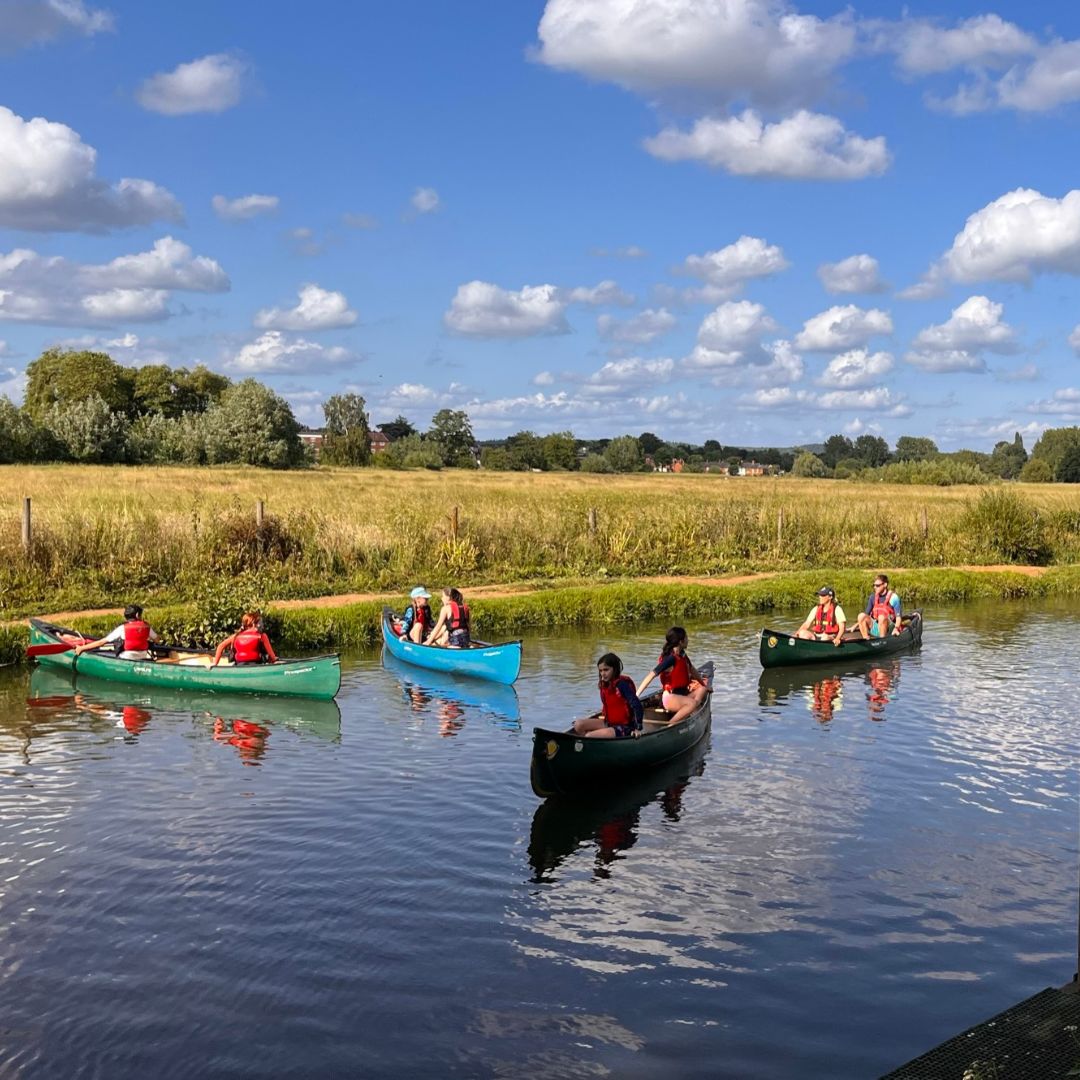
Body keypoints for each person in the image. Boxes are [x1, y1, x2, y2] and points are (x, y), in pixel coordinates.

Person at [635, 626, 711, 725]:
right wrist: (636, 696)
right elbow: (651, 675)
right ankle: (669, 726)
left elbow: (692, 670)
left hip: (683, 695)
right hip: (671, 698)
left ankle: (690, 711)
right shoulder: (671, 659)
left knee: (703, 689)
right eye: (686, 638)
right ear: (680, 641)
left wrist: (704, 685)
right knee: (692, 703)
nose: (688, 640)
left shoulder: (682, 655)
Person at [573, 652, 643, 739]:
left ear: (614, 669)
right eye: (601, 671)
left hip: (625, 727)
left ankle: (591, 743)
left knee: (589, 736)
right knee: (578, 725)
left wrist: (638, 728)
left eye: (606, 670)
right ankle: (589, 744)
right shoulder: (605, 685)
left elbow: (637, 705)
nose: (603, 673)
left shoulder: (622, 685)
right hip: (609, 723)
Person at [73, 604, 160, 661]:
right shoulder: (146, 626)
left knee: (109, 652)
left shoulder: (122, 628)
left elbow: (101, 642)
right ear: (137, 615)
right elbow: (157, 640)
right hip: (143, 657)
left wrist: (82, 648)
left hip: (126, 658)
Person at [212, 611, 278, 667]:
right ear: (254, 624)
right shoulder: (262, 636)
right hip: (256, 665)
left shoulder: (236, 636)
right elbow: (272, 657)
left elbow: (220, 646)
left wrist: (215, 664)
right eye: (258, 622)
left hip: (239, 665)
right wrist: (274, 661)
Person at [857, 574, 902, 640]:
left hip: (889, 628)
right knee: (861, 615)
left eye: (877, 585)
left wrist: (896, 628)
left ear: (885, 585)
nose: (875, 587)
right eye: (874, 585)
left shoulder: (894, 597)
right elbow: (865, 615)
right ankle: (866, 639)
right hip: (875, 625)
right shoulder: (872, 597)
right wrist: (854, 626)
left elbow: (898, 617)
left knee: (881, 617)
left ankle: (882, 640)